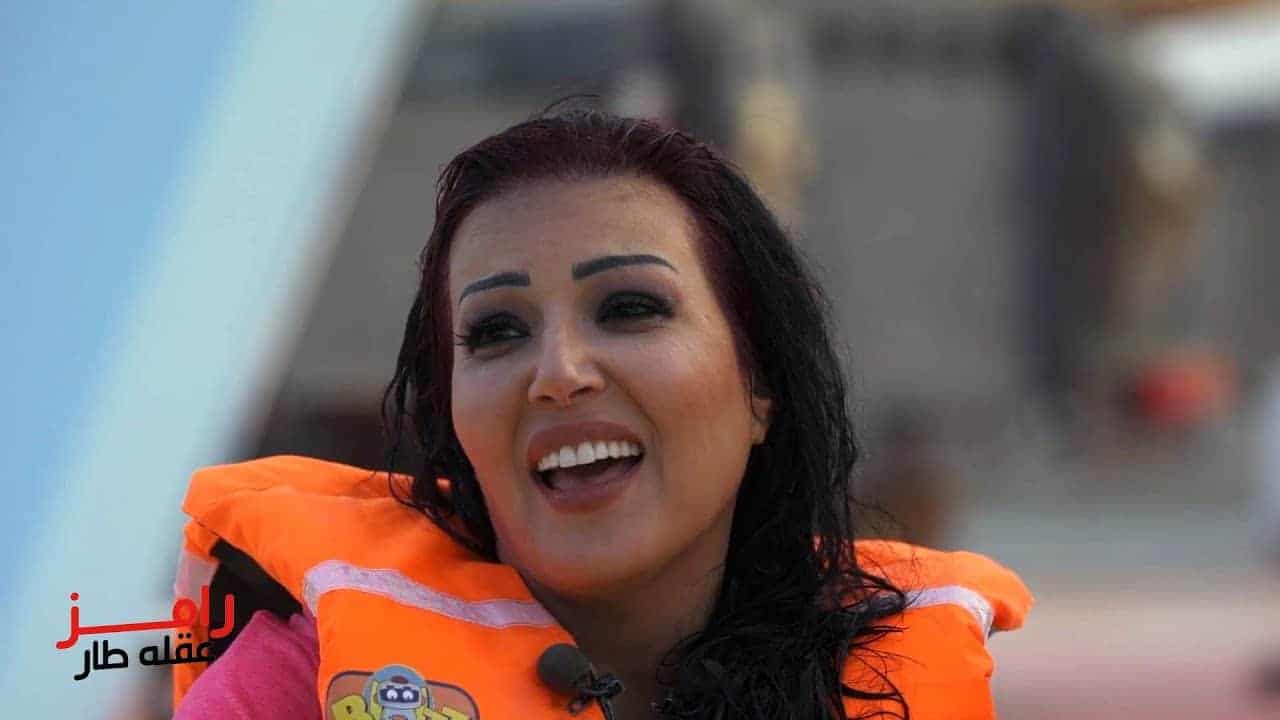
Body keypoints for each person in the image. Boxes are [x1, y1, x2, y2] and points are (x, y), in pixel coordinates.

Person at [170, 109, 1031, 720]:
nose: (558, 373)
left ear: (760, 385)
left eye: (629, 309)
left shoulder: (897, 686)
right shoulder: (294, 692)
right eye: (497, 331)